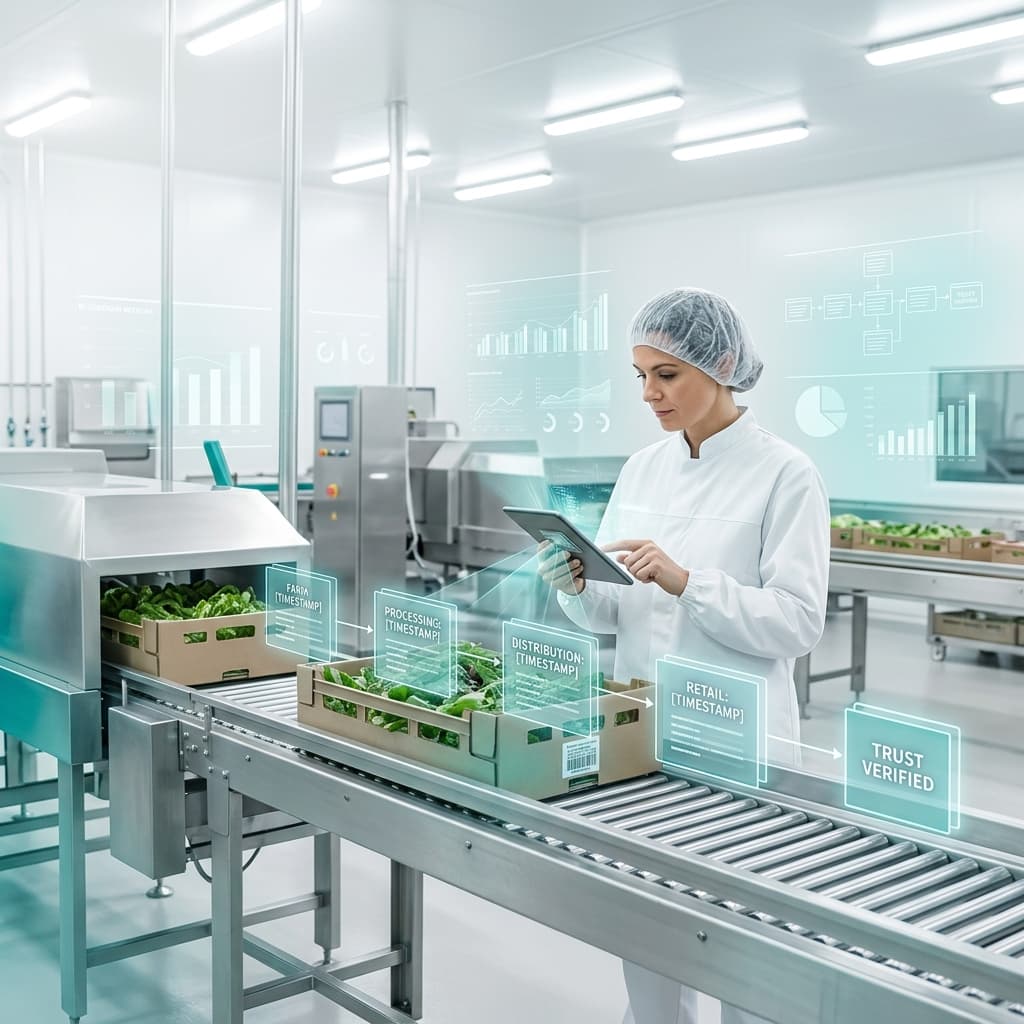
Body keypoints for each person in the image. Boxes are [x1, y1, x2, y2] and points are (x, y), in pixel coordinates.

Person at [538, 287, 830, 1024]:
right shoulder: (642, 468)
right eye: (640, 375)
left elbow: (796, 624)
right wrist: (575, 585)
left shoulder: (785, 473)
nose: (648, 393)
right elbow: (611, 609)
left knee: (741, 929)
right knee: (646, 923)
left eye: (666, 374)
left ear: (721, 362)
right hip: (641, 728)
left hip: (739, 736)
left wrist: (688, 582)